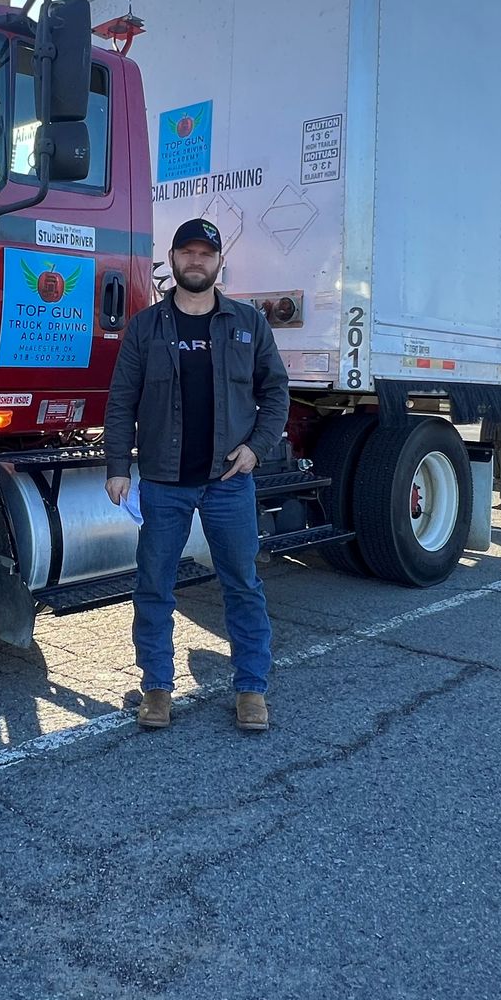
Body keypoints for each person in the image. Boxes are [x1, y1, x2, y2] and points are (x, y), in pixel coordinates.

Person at [103, 217, 291, 732]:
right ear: (174, 258)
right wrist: (118, 466)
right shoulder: (146, 327)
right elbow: (121, 401)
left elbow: (276, 393)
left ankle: (251, 689)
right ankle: (157, 688)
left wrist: (256, 448)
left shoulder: (248, 324)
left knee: (243, 584)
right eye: (186, 252)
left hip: (229, 481)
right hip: (164, 481)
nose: (196, 261)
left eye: (205, 253)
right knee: (154, 586)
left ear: (218, 262)